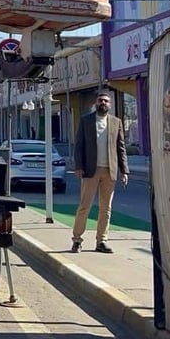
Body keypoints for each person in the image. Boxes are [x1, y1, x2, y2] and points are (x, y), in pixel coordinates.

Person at [70, 90, 128, 253]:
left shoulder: (116, 122)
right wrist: (78, 167)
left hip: (109, 171)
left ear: (110, 104)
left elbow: (121, 147)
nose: (103, 103)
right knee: (84, 207)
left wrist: (124, 171)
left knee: (106, 208)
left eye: (106, 101)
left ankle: (101, 241)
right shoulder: (86, 121)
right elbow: (79, 145)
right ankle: (77, 240)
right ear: (95, 103)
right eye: (100, 100)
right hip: (90, 171)